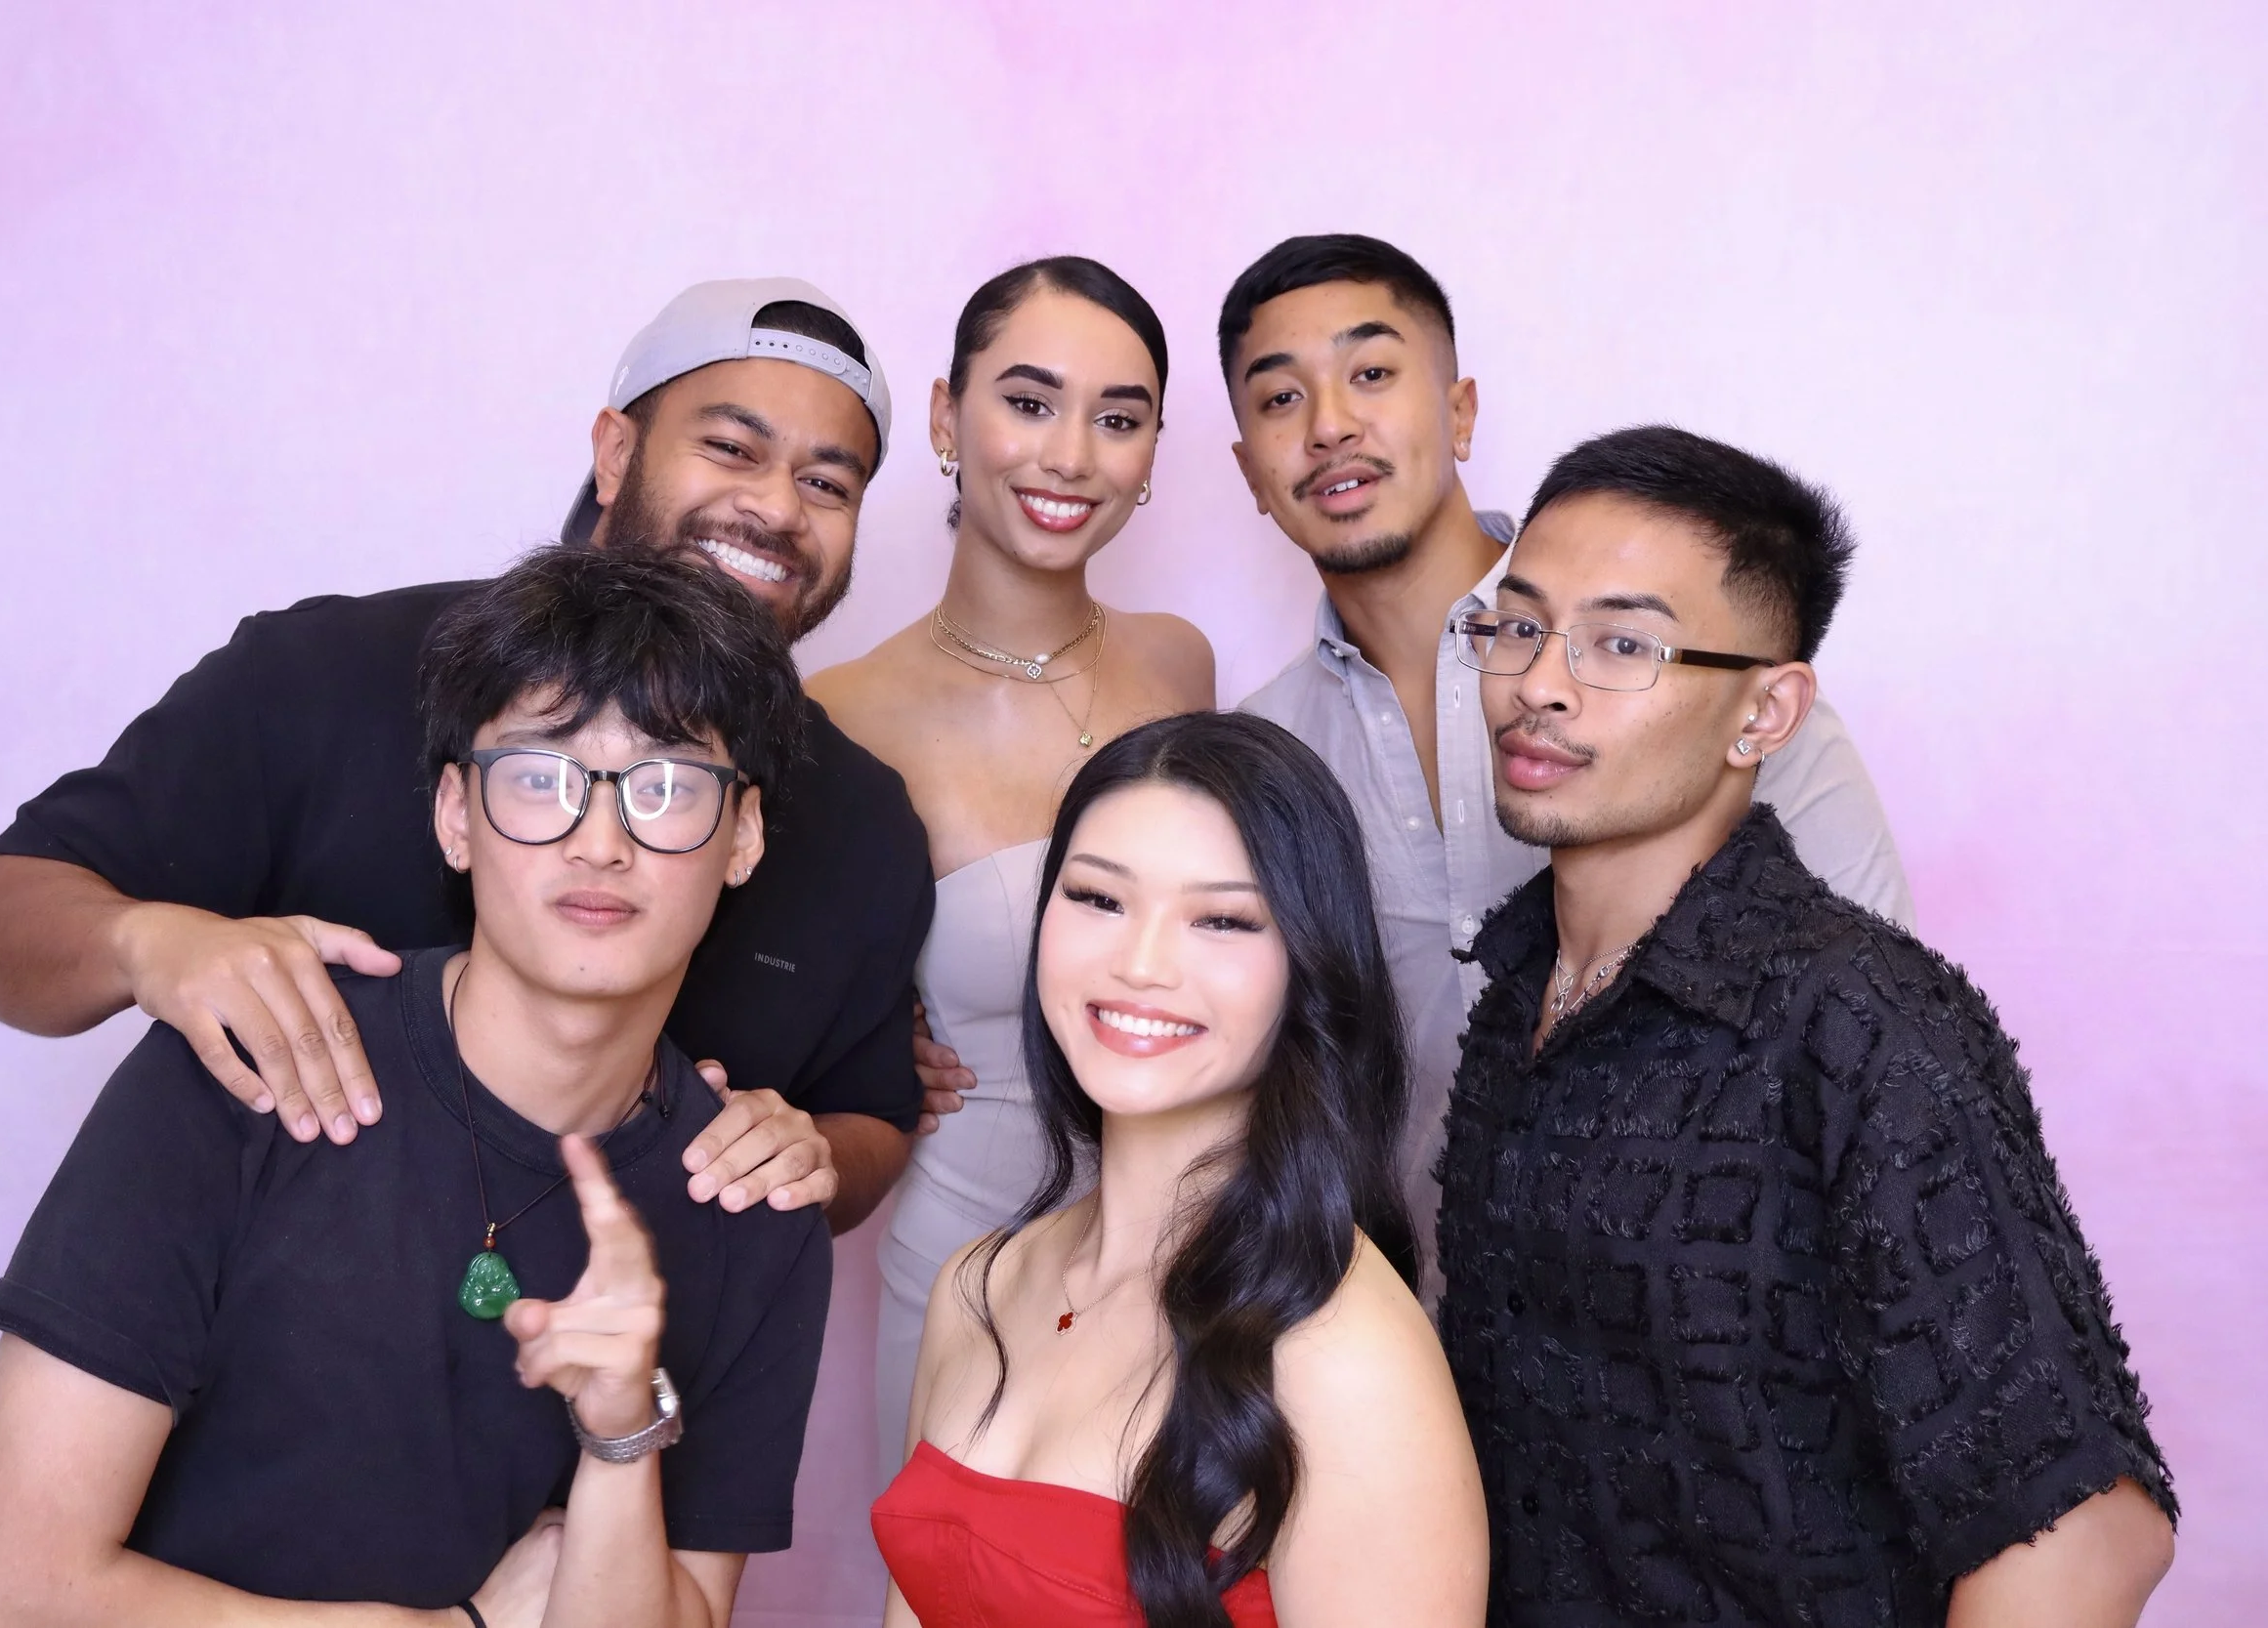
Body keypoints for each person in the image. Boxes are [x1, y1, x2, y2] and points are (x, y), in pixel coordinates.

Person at [0, 547, 834, 1626]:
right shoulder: (252, 1060)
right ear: (454, 814)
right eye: (541, 778)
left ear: (740, 836)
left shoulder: (749, 1205)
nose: (601, 841)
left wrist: (617, 1439)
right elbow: (10, 1595)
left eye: (664, 787)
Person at [0, 277, 932, 1234]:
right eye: (729, 446)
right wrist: (146, 943)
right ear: (615, 450)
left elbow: (870, 1112)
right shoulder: (323, 674)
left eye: (825, 482)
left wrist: (808, 1154)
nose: (775, 507)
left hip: (630, 1378)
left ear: (742, 829)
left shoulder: (863, 821)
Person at [1436, 426, 2175, 1625]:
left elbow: (2085, 1532)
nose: (1539, 682)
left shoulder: (1862, 1022)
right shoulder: (1515, 986)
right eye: (1518, 624)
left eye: (1622, 642)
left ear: (1765, 712)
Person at [1223, 234, 1912, 1304]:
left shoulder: (1682, 672)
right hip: (1410, 1342)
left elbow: (1882, 1032)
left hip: (1716, 1333)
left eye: (1371, 373)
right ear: (1247, 472)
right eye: (1279, 398)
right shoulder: (1260, 750)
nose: (1329, 425)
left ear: (1458, 412)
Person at [873, 712, 1490, 1627]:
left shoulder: (1346, 1355)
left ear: (1309, 967)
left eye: (1224, 918)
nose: (1141, 963)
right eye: (1098, 899)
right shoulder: (979, 1284)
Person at [810, 257, 1214, 1465]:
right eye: (1028, 402)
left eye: (1119, 417)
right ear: (946, 415)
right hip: (974, 1234)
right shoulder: (840, 712)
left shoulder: (1183, 665)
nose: (1071, 455)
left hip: (1195, 1232)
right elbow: (790, 1005)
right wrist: (876, 1056)